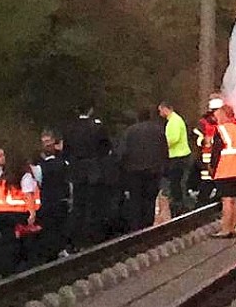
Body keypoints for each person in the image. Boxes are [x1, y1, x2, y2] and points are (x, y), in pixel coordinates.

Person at [63, 106, 113, 249]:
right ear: (90, 110)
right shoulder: (97, 127)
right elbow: (106, 148)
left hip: (77, 170)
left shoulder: (70, 128)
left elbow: (66, 151)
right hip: (94, 169)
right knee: (93, 204)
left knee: (78, 204)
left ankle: (76, 240)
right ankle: (92, 237)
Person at [0, 161, 40, 275]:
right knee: (20, 242)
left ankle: (5, 269)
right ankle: (19, 267)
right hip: (17, 213)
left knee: (7, 242)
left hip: (1, 214)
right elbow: (28, 195)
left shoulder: (3, 179)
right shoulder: (24, 177)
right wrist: (32, 213)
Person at [118, 108, 168, 232]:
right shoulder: (158, 130)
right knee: (150, 199)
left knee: (135, 199)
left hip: (134, 171)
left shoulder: (130, 131)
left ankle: (135, 228)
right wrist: (163, 168)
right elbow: (164, 150)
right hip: (153, 171)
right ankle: (147, 226)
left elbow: (122, 151)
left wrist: (123, 168)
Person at [209, 98, 236, 238]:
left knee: (226, 200)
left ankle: (225, 229)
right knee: (235, 199)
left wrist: (212, 167)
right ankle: (234, 227)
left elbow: (216, 152)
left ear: (224, 115)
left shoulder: (221, 130)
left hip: (225, 169)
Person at [35, 130, 72, 260]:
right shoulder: (38, 164)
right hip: (50, 199)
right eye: (45, 142)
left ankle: (59, 249)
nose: (47, 145)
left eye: (49, 142)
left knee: (58, 225)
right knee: (52, 227)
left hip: (56, 198)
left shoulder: (62, 161)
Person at [158, 101, 192, 216]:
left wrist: (162, 147)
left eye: (160, 110)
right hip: (179, 155)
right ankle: (179, 203)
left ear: (165, 109)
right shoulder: (175, 120)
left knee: (176, 182)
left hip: (178, 156)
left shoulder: (174, 121)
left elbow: (173, 139)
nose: (160, 113)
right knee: (176, 182)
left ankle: (179, 205)